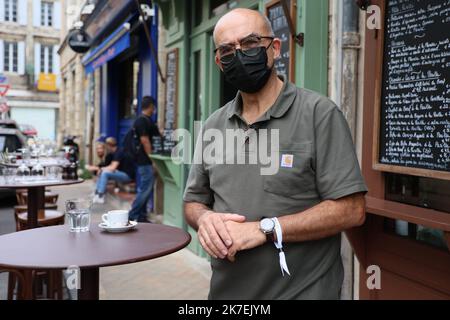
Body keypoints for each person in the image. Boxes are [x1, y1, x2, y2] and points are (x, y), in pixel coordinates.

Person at [183, 8, 368, 300]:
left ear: (274, 48)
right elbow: (194, 201)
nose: (240, 54)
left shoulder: (319, 114)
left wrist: (266, 229)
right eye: (228, 50)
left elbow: (351, 209)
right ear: (220, 62)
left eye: (251, 43)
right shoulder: (213, 126)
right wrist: (205, 220)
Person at [128, 96, 161, 222]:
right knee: (146, 188)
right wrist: (153, 159)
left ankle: (141, 215)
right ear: (151, 106)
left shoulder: (145, 120)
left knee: (146, 187)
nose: (154, 109)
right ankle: (133, 214)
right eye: (154, 106)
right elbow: (145, 140)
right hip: (145, 160)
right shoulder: (142, 121)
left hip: (144, 160)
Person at [93, 137, 135, 204]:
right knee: (103, 172)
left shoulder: (119, 152)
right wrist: (102, 169)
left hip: (127, 176)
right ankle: (97, 193)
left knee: (105, 173)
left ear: (109, 145)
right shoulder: (115, 153)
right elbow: (111, 166)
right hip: (121, 173)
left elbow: (113, 167)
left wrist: (101, 169)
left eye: (106, 146)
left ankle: (101, 196)